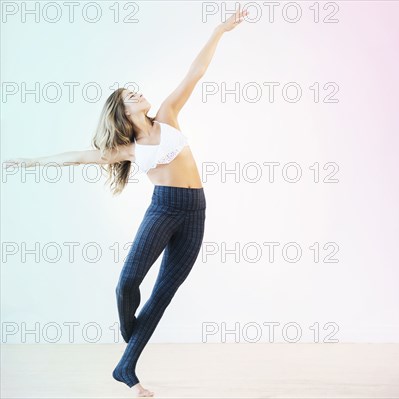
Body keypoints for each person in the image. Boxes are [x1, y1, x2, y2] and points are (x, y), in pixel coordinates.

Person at [2, 8, 248, 398]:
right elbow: (80, 156)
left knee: (163, 294)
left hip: (195, 211)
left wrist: (220, 29)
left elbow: (195, 72)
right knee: (127, 283)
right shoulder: (127, 149)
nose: (137, 93)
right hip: (163, 209)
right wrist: (33, 161)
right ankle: (129, 336)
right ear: (123, 112)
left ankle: (126, 368)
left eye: (135, 90)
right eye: (129, 95)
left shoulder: (168, 115)